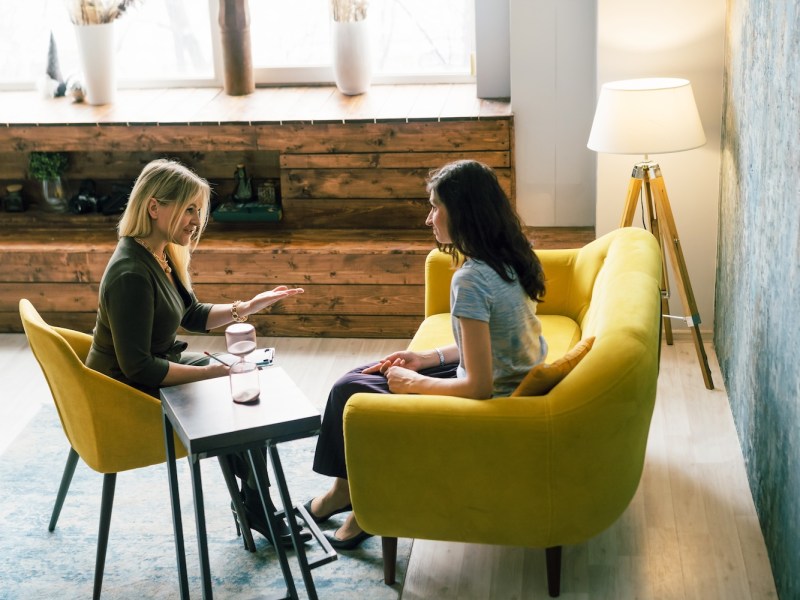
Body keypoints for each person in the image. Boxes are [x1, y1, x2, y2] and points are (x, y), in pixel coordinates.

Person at [306, 160, 549, 549]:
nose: (428, 219)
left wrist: (415, 383)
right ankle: (344, 492)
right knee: (360, 376)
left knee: (348, 391)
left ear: (463, 212)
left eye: (436, 207)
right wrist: (426, 359)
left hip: (489, 404)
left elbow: (480, 386)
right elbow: (492, 340)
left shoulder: (470, 279)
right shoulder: (510, 258)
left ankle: (357, 502)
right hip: (512, 378)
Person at [85, 158, 308, 548]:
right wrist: (214, 375)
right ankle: (258, 504)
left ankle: (257, 501)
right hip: (125, 392)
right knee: (240, 395)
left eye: (198, 210)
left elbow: (189, 314)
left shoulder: (159, 253)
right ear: (155, 208)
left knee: (248, 390)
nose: (197, 220)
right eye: (189, 208)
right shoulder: (131, 274)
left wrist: (250, 305)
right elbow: (137, 366)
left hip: (157, 367)